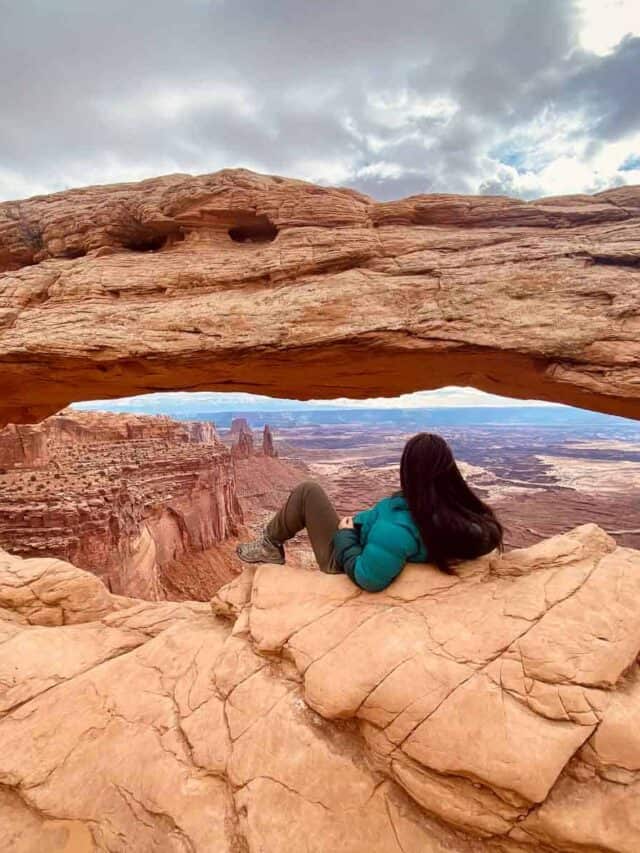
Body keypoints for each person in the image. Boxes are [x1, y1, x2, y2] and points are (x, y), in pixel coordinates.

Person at [236, 432, 504, 592]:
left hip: (341, 560)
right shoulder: (457, 510)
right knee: (312, 491)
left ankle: (270, 544)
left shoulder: (398, 529)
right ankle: (270, 542)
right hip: (364, 538)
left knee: (308, 491)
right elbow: (487, 534)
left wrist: (345, 536)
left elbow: (368, 578)